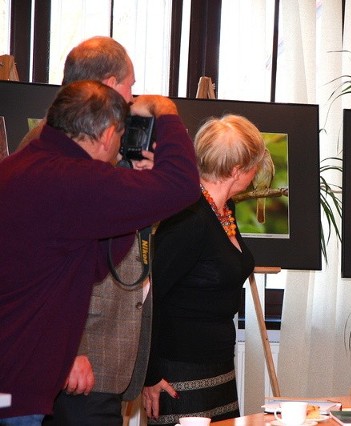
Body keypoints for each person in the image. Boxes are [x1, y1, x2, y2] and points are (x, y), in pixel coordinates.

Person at [0, 80, 200, 424]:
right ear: (108, 134)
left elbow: (91, 264)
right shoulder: (78, 180)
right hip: (19, 383)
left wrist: (136, 197)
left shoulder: (18, 168)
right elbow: (182, 184)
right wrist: (164, 111)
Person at [20, 36, 153, 426]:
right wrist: (69, 349)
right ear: (109, 85)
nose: (132, 98)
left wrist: (143, 183)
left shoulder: (95, 147)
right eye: (129, 86)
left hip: (101, 357)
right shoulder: (54, 152)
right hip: (81, 360)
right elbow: (40, 263)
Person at [142, 115, 266, 425]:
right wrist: (151, 375)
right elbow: (150, 296)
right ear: (237, 170)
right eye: (255, 165)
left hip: (218, 365)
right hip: (179, 374)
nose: (257, 171)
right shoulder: (189, 219)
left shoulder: (225, 210)